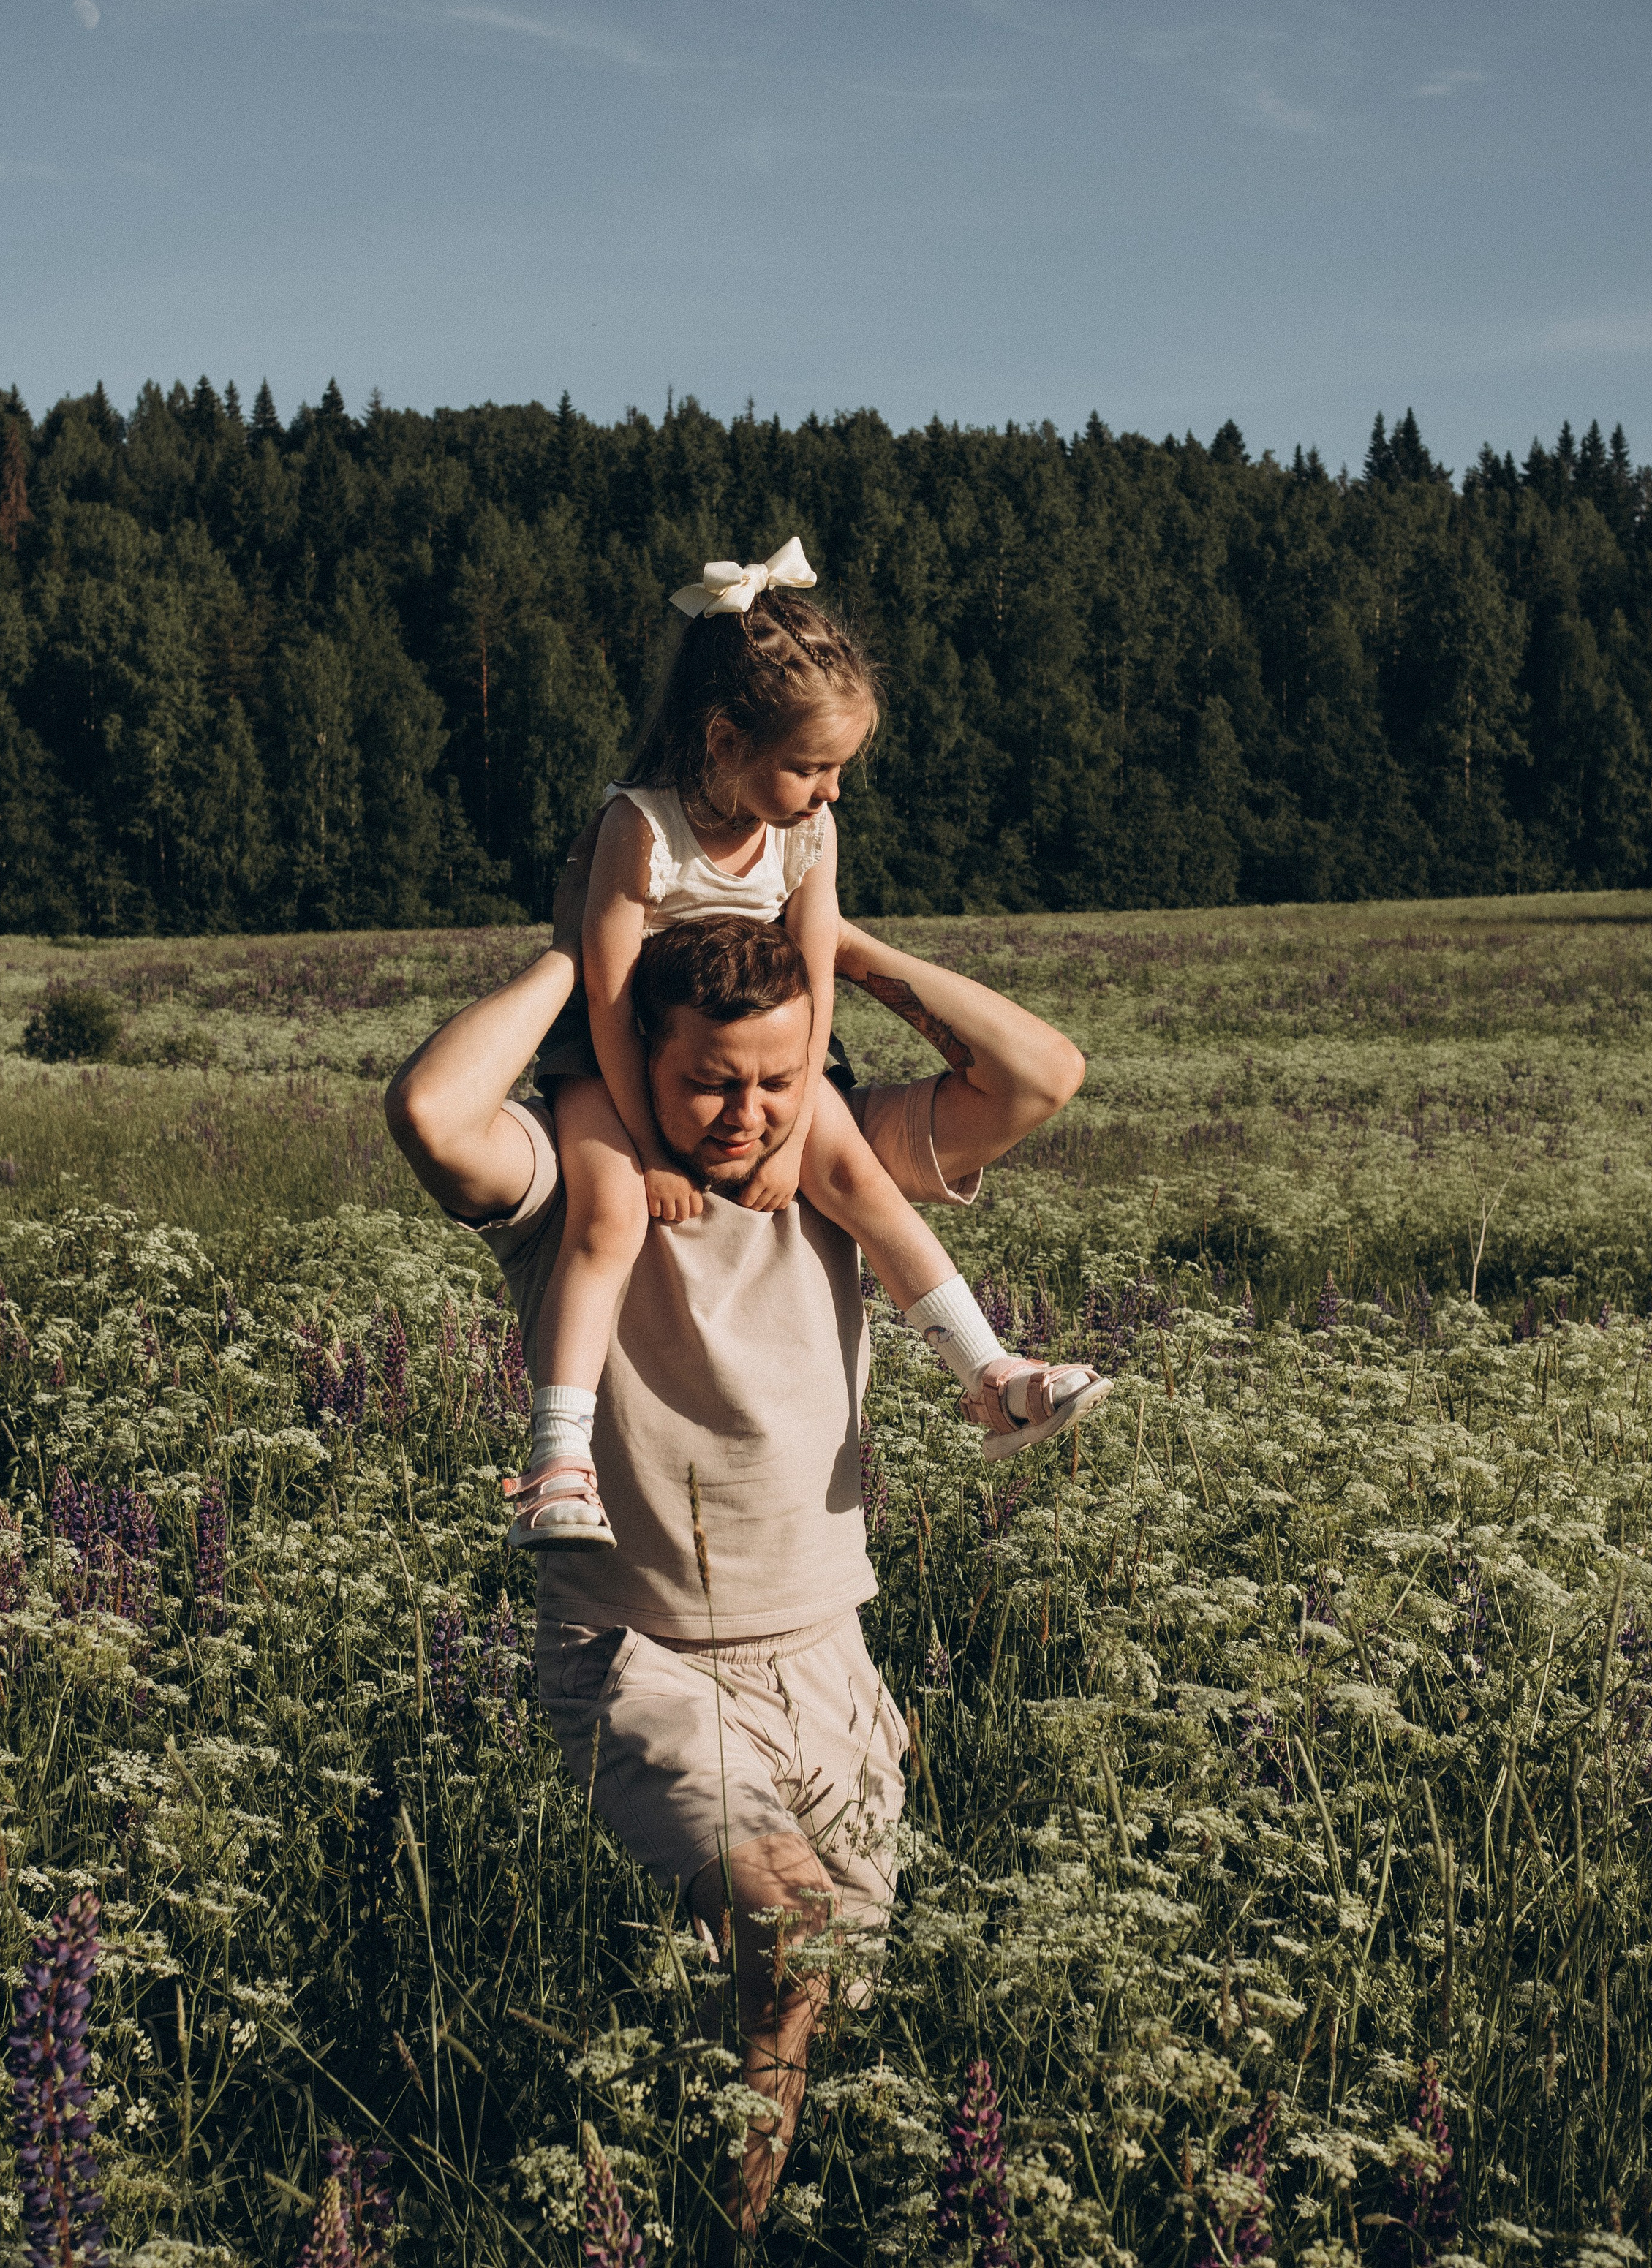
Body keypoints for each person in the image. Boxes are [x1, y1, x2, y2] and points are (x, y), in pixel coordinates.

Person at [384, 855, 1092, 2248]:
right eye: (711, 1081)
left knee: (806, 1998)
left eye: (778, 1077)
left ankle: (727, 2211)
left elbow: (1038, 1072)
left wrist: (831, 957)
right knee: (789, 1933)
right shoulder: (575, 1172)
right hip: (638, 1660)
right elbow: (429, 1111)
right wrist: (578, 974)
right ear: (641, 1051)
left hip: (827, 1648)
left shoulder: (824, 1148)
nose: (748, 1112)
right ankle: (726, 2239)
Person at [508, 537, 1109, 1554]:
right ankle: (558, 1456)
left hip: (765, 1053)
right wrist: (649, 1144)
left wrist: (798, 1122)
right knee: (607, 1215)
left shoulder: (807, 834)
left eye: (840, 767)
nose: (832, 790)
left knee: (862, 1183)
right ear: (724, 740)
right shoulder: (640, 827)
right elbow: (607, 992)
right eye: (811, 767)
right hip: (615, 1055)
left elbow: (817, 974)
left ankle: (989, 1372)